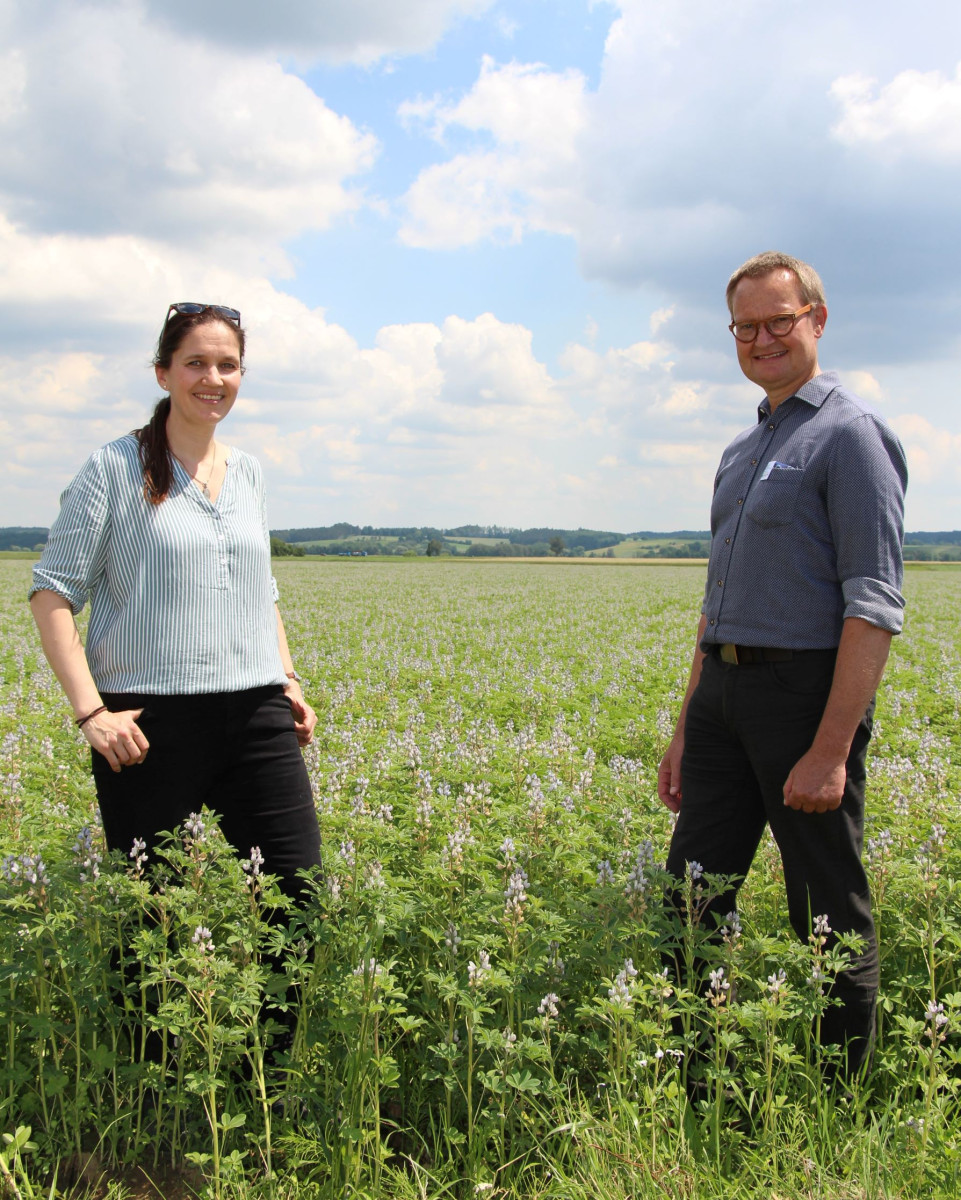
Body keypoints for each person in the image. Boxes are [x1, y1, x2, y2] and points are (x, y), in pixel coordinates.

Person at [656, 252, 907, 1078]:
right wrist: (688, 726)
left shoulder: (851, 436)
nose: (761, 338)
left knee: (825, 906)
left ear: (817, 321)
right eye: (745, 326)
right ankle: (687, 1078)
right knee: (689, 896)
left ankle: (846, 1098)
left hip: (802, 694)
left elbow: (870, 603)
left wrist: (830, 749)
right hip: (722, 693)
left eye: (779, 321)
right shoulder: (741, 446)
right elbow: (714, 600)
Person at [30, 302, 322, 899]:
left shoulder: (248, 473)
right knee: (149, 914)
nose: (213, 379)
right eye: (196, 363)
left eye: (228, 365)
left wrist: (287, 678)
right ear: (163, 373)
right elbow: (51, 594)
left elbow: (259, 590)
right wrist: (92, 715)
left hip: (258, 714)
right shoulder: (111, 468)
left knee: (297, 897)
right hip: (147, 727)